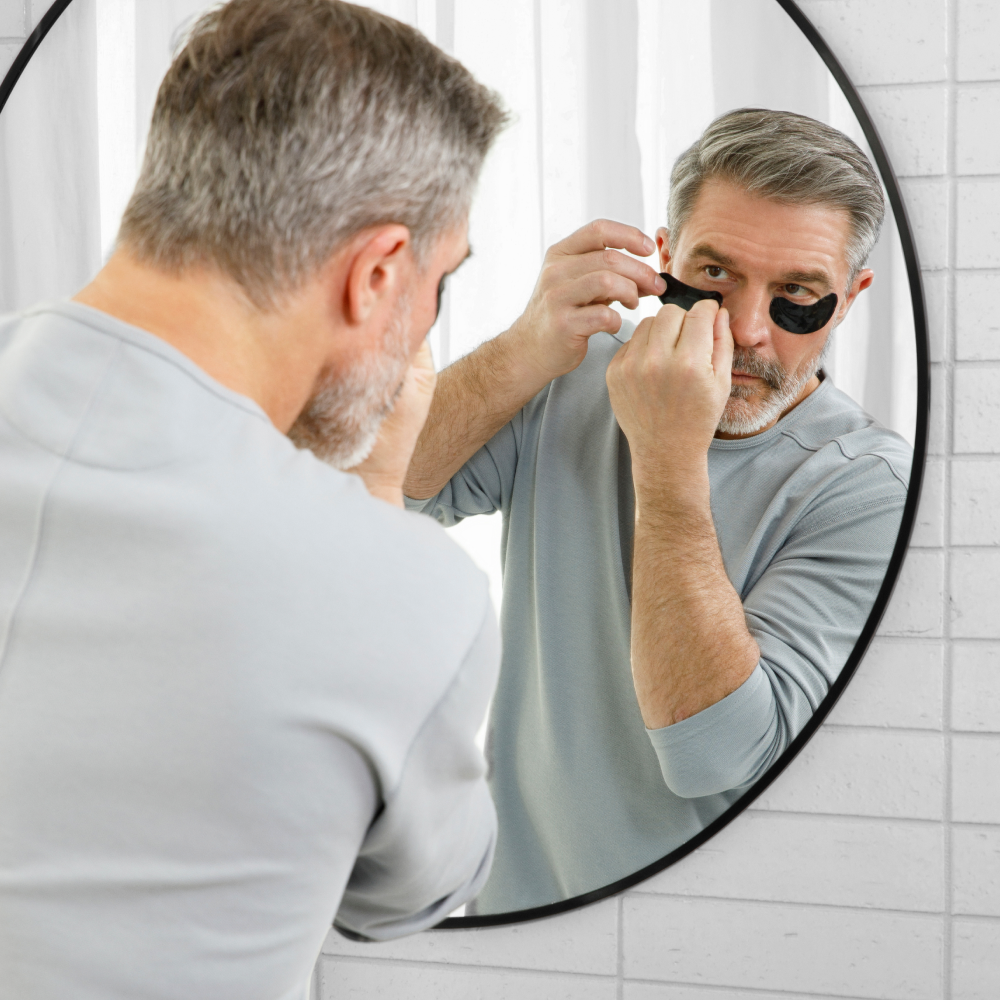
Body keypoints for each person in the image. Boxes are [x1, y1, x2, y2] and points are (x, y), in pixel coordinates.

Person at [0, 2, 507, 997]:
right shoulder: (403, 597)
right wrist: (371, 501)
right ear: (376, 273)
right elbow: (406, 897)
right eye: (438, 285)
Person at [404, 109, 912, 914]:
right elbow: (386, 487)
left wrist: (669, 461)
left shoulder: (868, 488)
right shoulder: (574, 376)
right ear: (665, 257)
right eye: (714, 277)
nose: (745, 331)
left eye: (797, 298)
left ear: (850, 299)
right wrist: (525, 345)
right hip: (515, 923)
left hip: (709, 945)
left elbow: (716, 754)